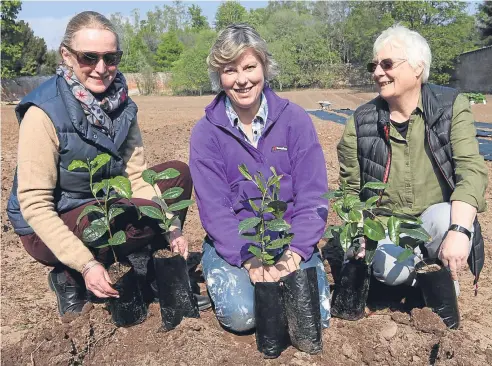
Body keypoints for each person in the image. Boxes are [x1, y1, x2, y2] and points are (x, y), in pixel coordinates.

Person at [6, 11, 210, 316]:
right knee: (101, 221)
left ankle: (151, 266)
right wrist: (86, 264)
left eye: (110, 58)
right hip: (47, 225)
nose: (101, 68)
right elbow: (35, 204)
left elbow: (138, 176)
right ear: (67, 56)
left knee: (176, 177)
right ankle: (68, 275)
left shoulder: (123, 105)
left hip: (102, 204)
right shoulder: (43, 112)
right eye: (89, 57)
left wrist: (171, 227)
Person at [189, 23, 331, 333]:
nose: (241, 80)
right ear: (219, 76)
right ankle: (220, 265)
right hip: (237, 245)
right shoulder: (206, 133)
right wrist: (251, 263)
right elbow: (214, 208)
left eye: (249, 66)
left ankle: (304, 261)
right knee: (244, 317)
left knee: (314, 317)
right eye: (229, 70)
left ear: (264, 66)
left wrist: (293, 256)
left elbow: (313, 194)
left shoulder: (295, 120)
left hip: (289, 239)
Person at [337, 24, 487, 294]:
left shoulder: (450, 107)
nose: (378, 72)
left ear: (418, 67)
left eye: (387, 63)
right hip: (386, 224)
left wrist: (460, 231)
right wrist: (359, 231)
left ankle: (435, 264)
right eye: (374, 66)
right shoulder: (360, 122)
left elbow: (471, 172)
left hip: (432, 219)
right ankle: (427, 277)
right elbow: (350, 190)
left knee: (446, 220)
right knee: (388, 267)